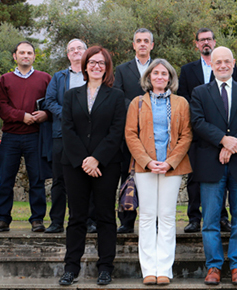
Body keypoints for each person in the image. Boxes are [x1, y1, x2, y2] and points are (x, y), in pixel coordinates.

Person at [190, 47, 237, 286]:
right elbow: (197, 122)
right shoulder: (200, 92)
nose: (222, 65)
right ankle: (214, 266)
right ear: (211, 64)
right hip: (210, 163)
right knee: (210, 221)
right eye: (217, 61)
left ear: (233, 63)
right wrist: (223, 140)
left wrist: (231, 146)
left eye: (226, 61)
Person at [58, 46, 125, 286]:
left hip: (106, 164)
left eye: (102, 63)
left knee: (106, 216)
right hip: (75, 164)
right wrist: (84, 160)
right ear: (85, 65)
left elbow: (117, 131)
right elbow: (67, 129)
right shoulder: (71, 95)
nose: (97, 66)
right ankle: (71, 268)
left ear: (107, 68)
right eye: (92, 62)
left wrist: (97, 158)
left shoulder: (116, 96)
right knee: (76, 217)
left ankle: (105, 267)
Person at [126, 59, 193, 286]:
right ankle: (148, 270)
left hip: (171, 168)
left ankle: (164, 269)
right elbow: (130, 135)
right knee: (146, 216)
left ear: (170, 78)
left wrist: (170, 162)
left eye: (164, 73)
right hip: (145, 167)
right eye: (156, 73)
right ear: (148, 77)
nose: (160, 77)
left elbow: (187, 135)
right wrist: (146, 161)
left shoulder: (181, 103)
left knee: (166, 216)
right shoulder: (137, 103)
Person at [177, 28, 237, 233]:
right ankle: (194, 218)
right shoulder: (187, 70)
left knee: (220, 176)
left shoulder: (227, 67)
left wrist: (222, 136)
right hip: (196, 132)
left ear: (214, 41)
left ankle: (221, 217)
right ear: (196, 44)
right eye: (202, 40)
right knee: (194, 178)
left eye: (209, 39)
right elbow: (184, 99)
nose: (206, 43)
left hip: (222, 134)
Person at [0, 41, 51, 233]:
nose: (26, 55)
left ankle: (37, 219)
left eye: (29, 53)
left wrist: (45, 115)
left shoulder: (45, 78)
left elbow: (51, 103)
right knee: (6, 179)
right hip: (11, 137)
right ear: (15, 56)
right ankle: (2, 219)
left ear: (34, 56)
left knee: (37, 179)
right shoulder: (5, 80)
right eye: (22, 52)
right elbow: (1, 106)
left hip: (35, 136)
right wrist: (21, 116)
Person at [43, 39, 97, 234]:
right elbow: (49, 101)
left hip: (87, 136)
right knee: (59, 180)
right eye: (72, 49)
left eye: (79, 48)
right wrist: (68, 115)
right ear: (68, 54)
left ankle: (89, 220)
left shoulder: (93, 75)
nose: (76, 51)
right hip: (62, 135)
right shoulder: (58, 77)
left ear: (86, 52)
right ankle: (56, 221)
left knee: (88, 178)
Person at [114, 28, 154, 234]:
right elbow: (118, 96)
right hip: (129, 131)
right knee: (126, 175)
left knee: (153, 175)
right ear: (133, 45)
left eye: (146, 41)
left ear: (152, 45)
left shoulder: (160, 67)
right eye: (139, 40)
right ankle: (126, 221)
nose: (142, 44)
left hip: (155, 133)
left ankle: (153, 219)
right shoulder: (121, 70)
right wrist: (138, 108)